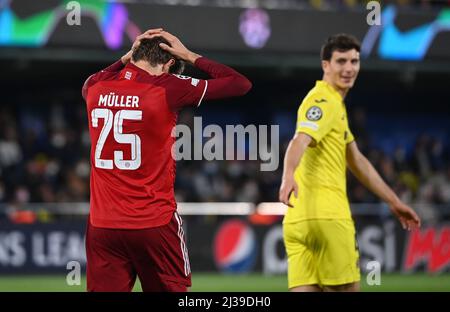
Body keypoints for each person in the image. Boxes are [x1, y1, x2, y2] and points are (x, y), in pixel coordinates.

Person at [82, 28, 252, 292]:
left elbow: (88, 83)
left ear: (135, 53)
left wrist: (125, 58)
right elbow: (240, 83)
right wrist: (190, 55)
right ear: (170, 62)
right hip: (154, 224)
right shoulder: (167, 87)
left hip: (103, 226)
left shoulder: (96, 87)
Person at [279, 34, 421, 292]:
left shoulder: (333, 105)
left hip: (298, 222)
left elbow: (357, 161)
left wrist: (394, 201)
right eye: (341, 61)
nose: (349, 68)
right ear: (326, 65)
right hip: (330, 217)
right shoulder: (324, 101)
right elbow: (299, 140)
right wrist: (288, 174)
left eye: (354, 61)